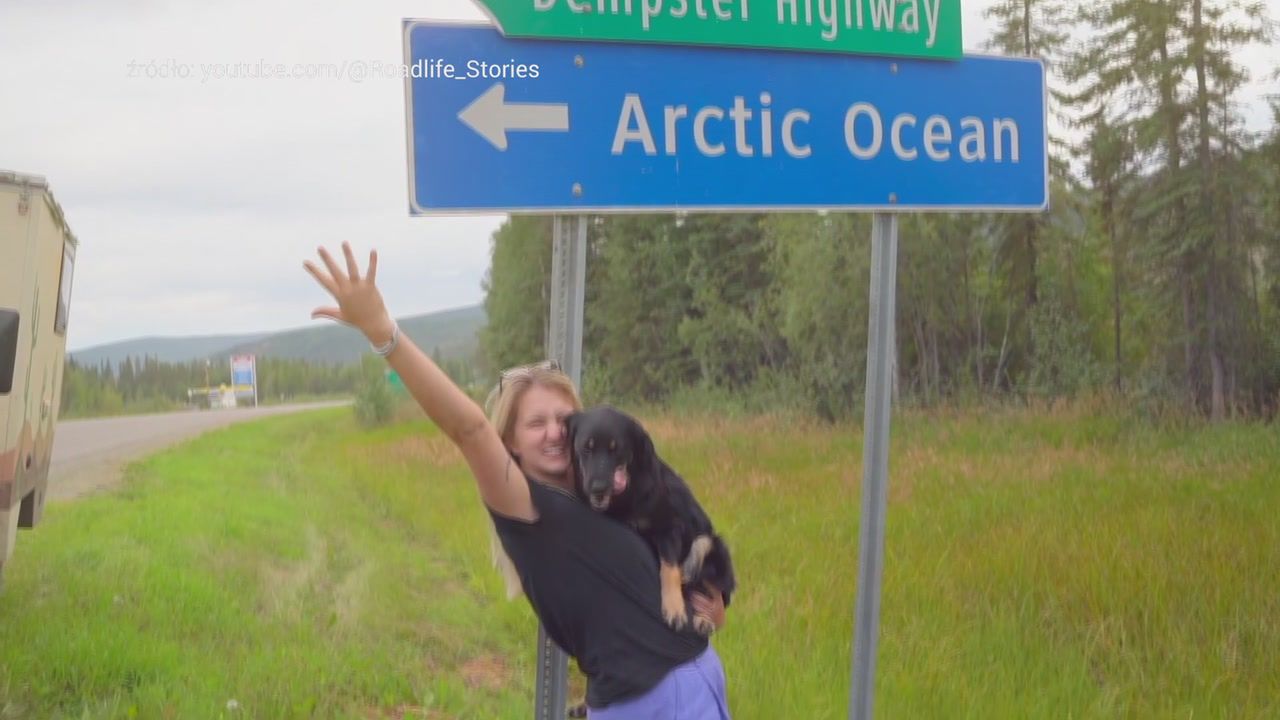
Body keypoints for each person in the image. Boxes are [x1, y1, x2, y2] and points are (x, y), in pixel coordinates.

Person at [304, 243, 731, 718]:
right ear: (509, 442)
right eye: (535, 424)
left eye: (563, 420)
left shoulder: (606, 497)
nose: (553, 432)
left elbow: (679, 556)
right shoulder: (525, 507)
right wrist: (383, 333)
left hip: (701, 680)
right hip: (645, 705)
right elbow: (468, 427)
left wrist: (712, 607)